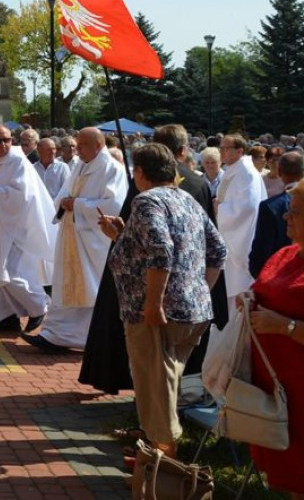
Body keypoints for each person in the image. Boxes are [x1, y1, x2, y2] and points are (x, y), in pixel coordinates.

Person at [99, 144, 225, 459]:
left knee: (157, 389)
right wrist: (199, 289)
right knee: (164, 388)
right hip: (193, 311)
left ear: (140, 173)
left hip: (155, 313)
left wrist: (154, 304)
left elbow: (160, 251)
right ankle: (156, 454)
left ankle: (165, 468)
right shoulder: (187, 200)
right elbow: (218, 249)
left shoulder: (146, 200)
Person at [25, 128, 127, 353]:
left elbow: (114, 206)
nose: (76, 150)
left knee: (89, 290)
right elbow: (64, 193)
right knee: (64, 285)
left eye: (82, 146)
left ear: (98, 146)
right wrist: (64, 203)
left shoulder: (112, 170)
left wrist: (77, 205)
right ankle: (53, 334)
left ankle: (81, 337)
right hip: (71, 235)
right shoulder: (81, 166)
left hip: (93, 241)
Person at [238, 181, 304, 500]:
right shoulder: (286, 254)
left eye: (295, 213)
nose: (286, 218)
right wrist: (251, 299)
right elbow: (266, 288)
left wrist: (285, 327)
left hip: (301, 387)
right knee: (290, 473)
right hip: (277, 388)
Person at [0, 124, 55, 332]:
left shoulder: (18, 162)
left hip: (12, 227)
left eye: (7, 139)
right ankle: (4, 317)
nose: (4, 144)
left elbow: (23, 195)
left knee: (9, 273)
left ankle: (39, 306)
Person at [216, 133, 266, 316]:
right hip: (229, 237)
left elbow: (247, 209)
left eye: (225, 148)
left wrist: (220, 210)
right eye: (220, 147)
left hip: (241, 240)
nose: (221, 151)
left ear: (239, 151)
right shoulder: (233, 170)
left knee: (240, 295)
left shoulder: (246, 173)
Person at [250, 150, 304, 277]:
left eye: (295, 212)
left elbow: (260, 255)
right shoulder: (271, 206)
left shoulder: (270, 207)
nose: (288, 217)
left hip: (279, 277)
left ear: (279, 172)